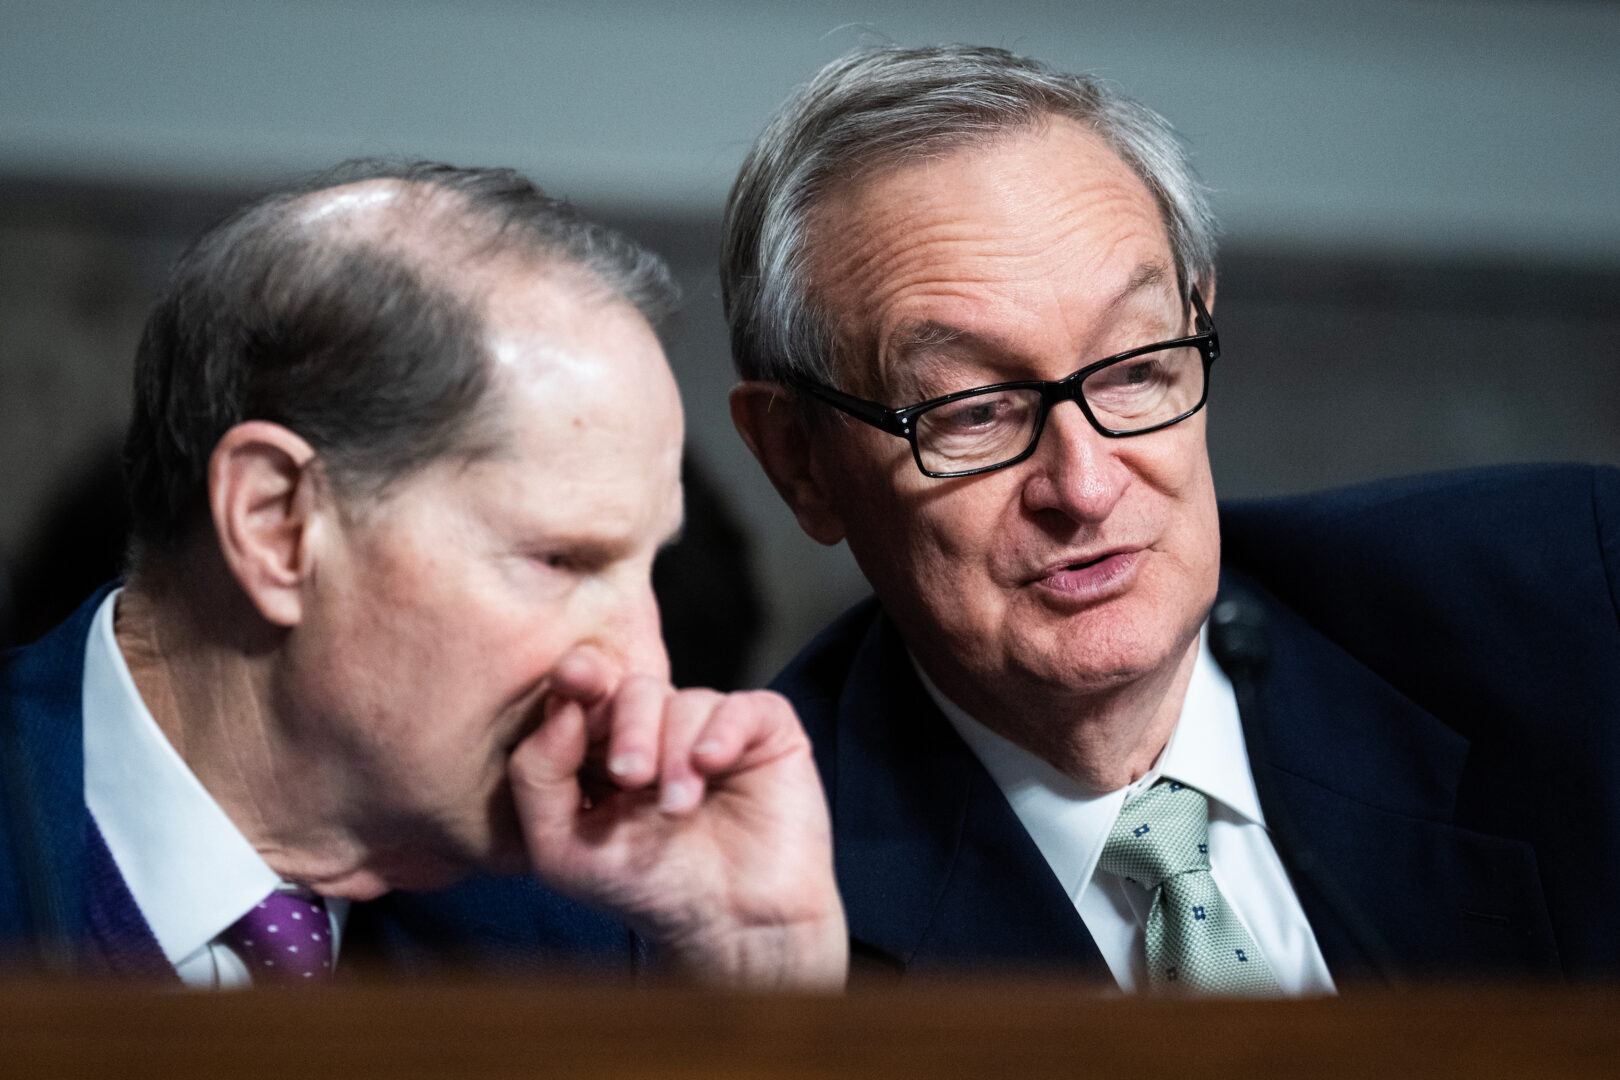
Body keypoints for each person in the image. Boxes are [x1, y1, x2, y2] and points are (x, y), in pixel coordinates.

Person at [722, 44, 1620, 993]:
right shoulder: (740, 913)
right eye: (971, 410)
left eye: (1135, 366)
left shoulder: (1579, 621)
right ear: (800, 460)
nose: (1086, 485)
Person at [0, 160, 847, 989]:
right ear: (276, 523)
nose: (642, 672)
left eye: (642, 569)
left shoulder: (611, 927)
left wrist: (759, 983)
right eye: (559, 560)